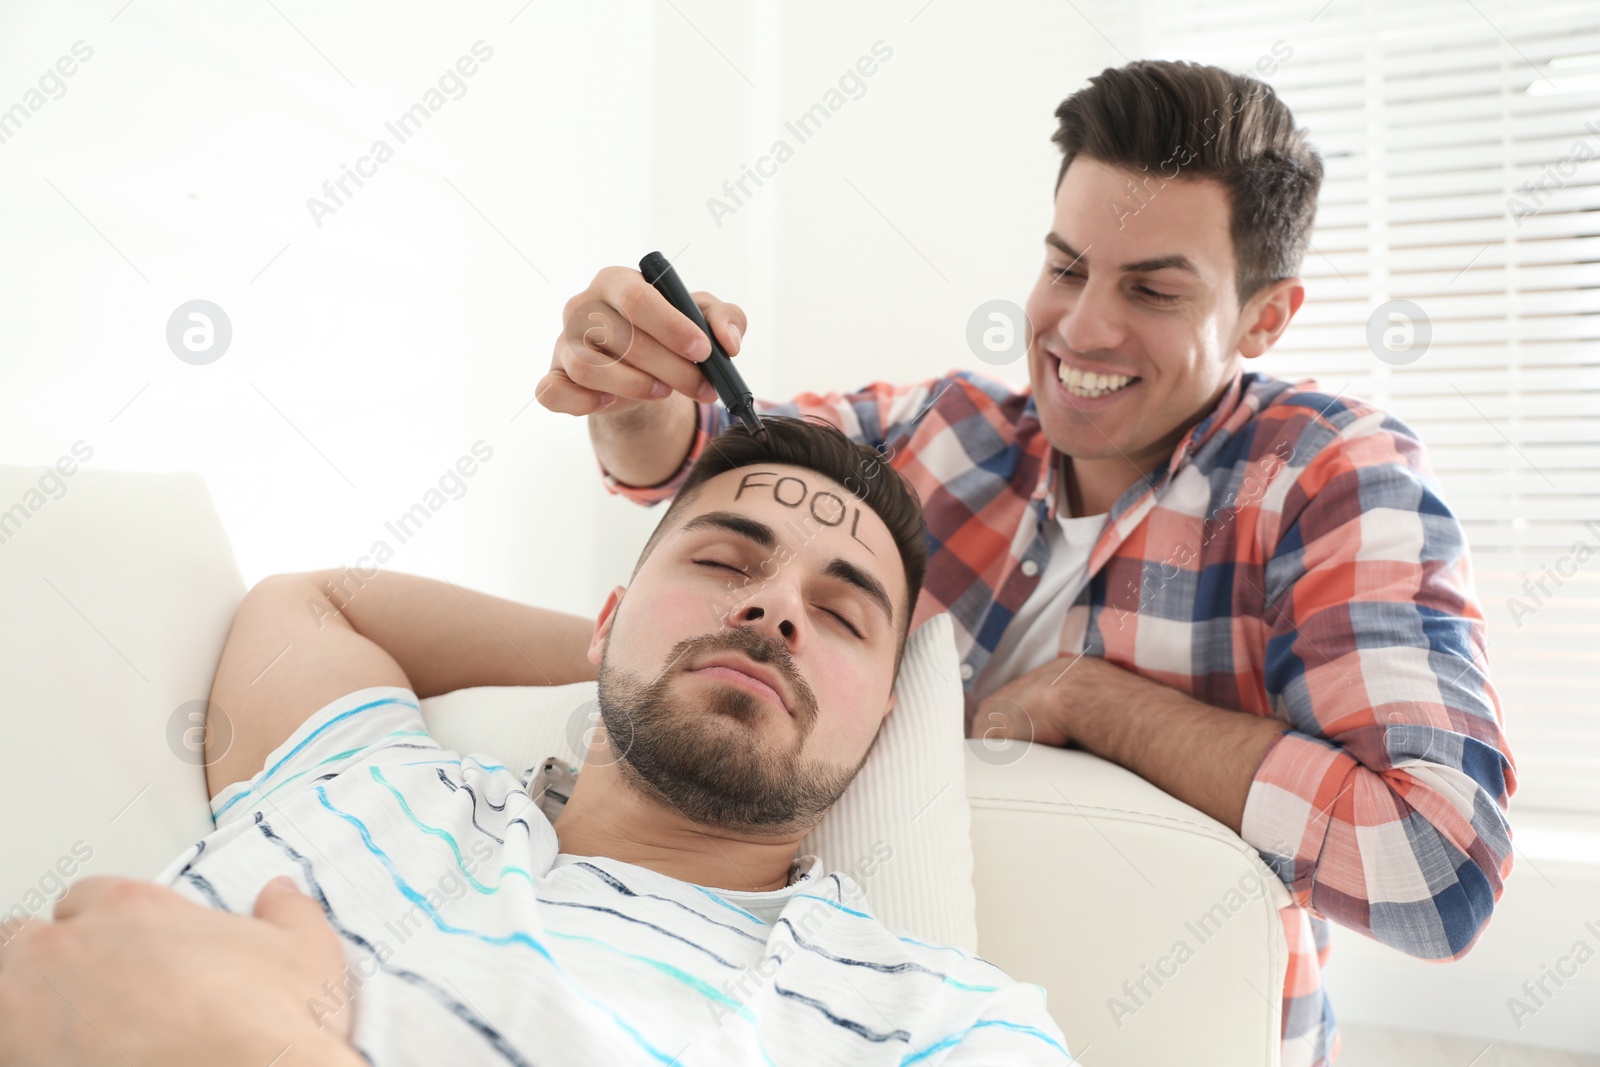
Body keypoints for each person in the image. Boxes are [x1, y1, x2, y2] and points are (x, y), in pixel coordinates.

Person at [537, 60, 1517, 1067]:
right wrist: (632, 398)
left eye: (1151, 289)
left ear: (1264, 317)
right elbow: (705, 459)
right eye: (1065, 268)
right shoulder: (946, 428)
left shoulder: (1327, 474)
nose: (1081, 327)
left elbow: (1437, 868)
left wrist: (1090, 702)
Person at [0, 416, 1073, 1066]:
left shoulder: (933, 1020)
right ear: (603, 615)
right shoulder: (375, 773)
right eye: (721, 563)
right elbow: (317, 599)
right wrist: (645, 656)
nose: (774, 609)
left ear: (885, 717)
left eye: (840, 616)